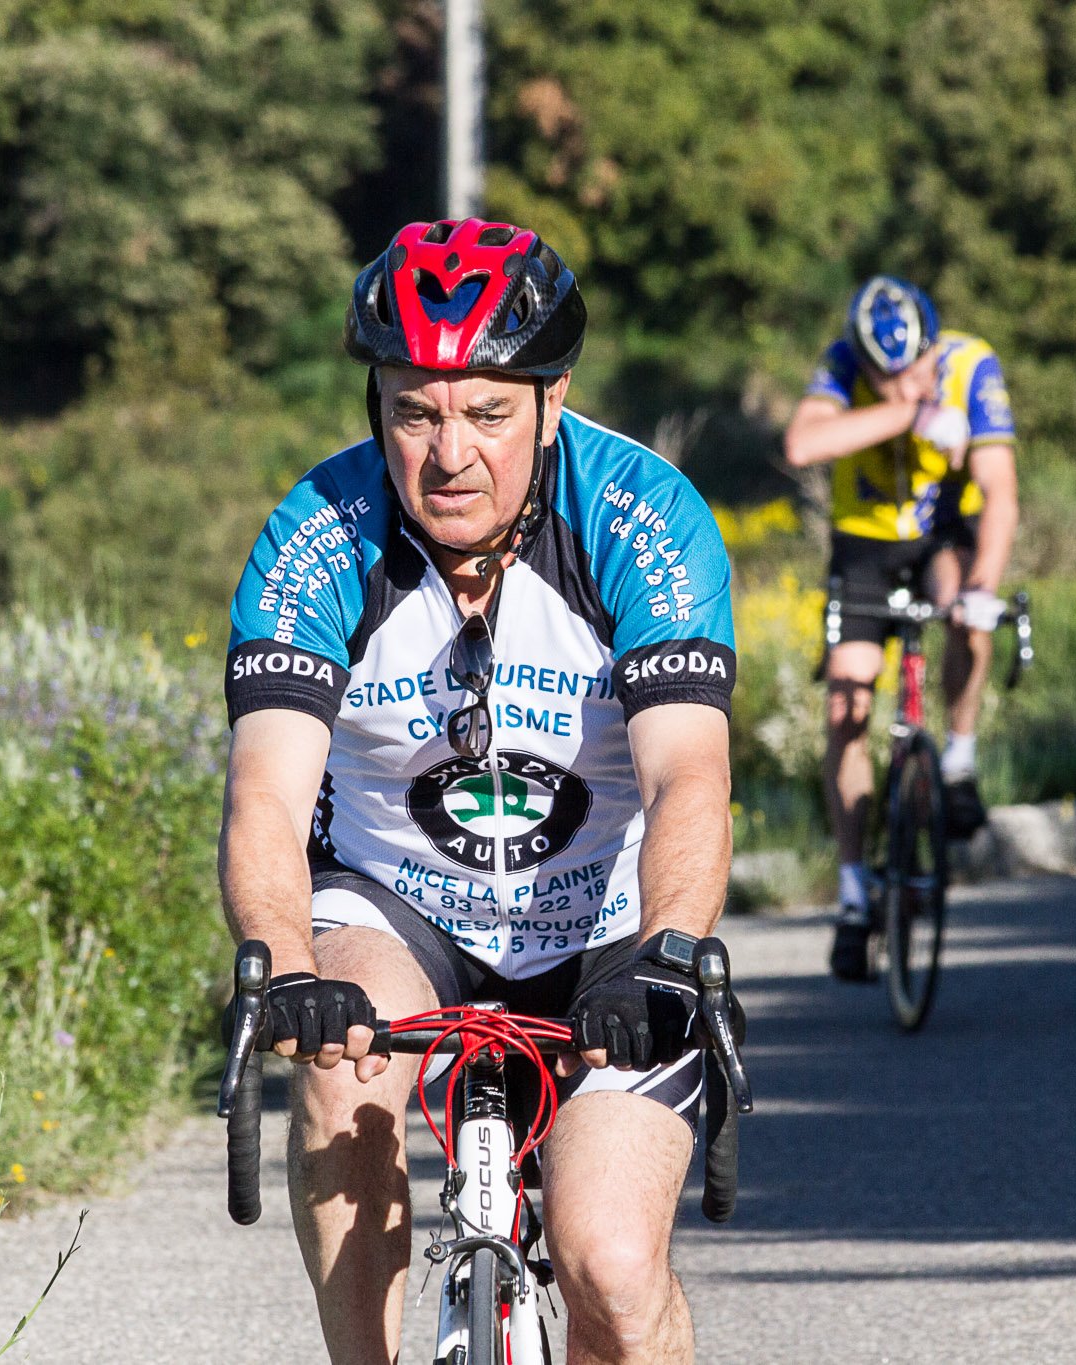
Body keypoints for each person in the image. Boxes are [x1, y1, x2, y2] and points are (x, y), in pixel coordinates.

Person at [216, 218, 737, 1365]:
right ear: (376, 407)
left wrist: (666, 952)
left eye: (487, 413)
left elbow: (688, 776)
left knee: (611, 1270)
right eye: (415, 412)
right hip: (397, 906)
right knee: (339, 1076)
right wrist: (285, 965)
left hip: (607, 928)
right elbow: (264, 795)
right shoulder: (318, 536)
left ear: (552, 401)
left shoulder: (640, 517)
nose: (449, 453)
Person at [781, 276, 1019, 982]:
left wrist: (984, 589)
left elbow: (1000, 493)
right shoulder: (843, 364)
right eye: (884, 378)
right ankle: (855, 889)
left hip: (940, 537)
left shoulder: (971, 363)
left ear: (934, 348)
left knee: (968, 612)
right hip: (865, 547)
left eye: (914, 371)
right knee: (847, 707)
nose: (902, 384)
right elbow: (803, 444)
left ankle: (960, 759)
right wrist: (908, 415)